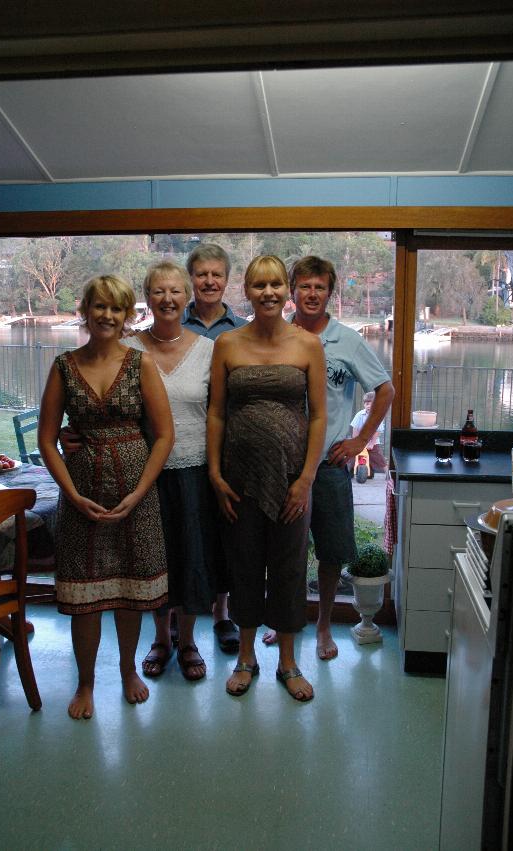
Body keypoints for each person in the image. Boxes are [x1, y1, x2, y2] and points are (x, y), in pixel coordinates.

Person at [38, 274, 174, 720]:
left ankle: (129, 670)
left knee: (131, 590)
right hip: (83, 498)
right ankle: (85, 682)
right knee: (85, 596)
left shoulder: (141, 364)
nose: (108, 316)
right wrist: (72, 495)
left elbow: (164, 435)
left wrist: (139, 493)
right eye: (100, 307)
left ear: (127, 314)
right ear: (86, 310)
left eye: (117, 309)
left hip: (135, 497)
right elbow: (45, 440)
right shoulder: (63, 365)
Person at [207, 255, 327, 701]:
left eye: (276, 284)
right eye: (259, 285)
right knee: (243, 564)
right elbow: (217, 412)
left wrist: (306, 478)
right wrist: (216, 472)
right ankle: (245, 657)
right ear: (248, 291)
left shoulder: (307, 345)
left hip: (293, 477)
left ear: (287, 289)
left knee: (289, 567)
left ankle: (289, 662)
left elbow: (317, 418)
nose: (269, 292)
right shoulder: (228, 344)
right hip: (238, 478)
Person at [262, 256, 394, 660]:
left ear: (330, 293)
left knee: (332, 553)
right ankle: (286, 622)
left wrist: (360, 441)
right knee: (286, 553)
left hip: (329, 467)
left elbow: (385, 390)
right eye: (304, 286)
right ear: (291, 292)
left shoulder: (346, 340)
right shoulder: (278, 336)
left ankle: (323, 628)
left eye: (320, 286)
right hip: (283, 468)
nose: (312, 293)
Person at [124, 260, 221, 681]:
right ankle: (161, 639)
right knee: (154, 559)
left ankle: (188, 641)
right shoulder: (128, 349)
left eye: (175, 291)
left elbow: (219, 413)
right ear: (147, 297)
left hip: (194, 471)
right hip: (144, 473)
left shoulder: (208, 350)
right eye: (158, 291)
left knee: (191, 558)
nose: (167, 299)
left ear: (188, 297)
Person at [182, 243, 247, 653]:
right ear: (192, 278)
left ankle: (223, 616)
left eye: (216, 275)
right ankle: (177, 616)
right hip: (182, 443)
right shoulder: (172, 324)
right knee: (185, 530)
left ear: (227, 280)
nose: (209, 281)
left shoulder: (242, 330)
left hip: (230, 446)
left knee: (226, 531)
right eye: (201, 274)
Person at [350, 391, 388, 476]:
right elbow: (355, 428)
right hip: (360, 440)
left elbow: (377, 431)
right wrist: (355, 442)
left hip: (372, 441)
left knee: (378, 456)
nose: (369, 406)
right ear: (364, 405)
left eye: (371, 404)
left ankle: (387, 473)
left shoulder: (378, 415)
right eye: (367, 404)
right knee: (351, 454)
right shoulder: (360, 415)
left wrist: (371, 443)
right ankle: (349, 472)